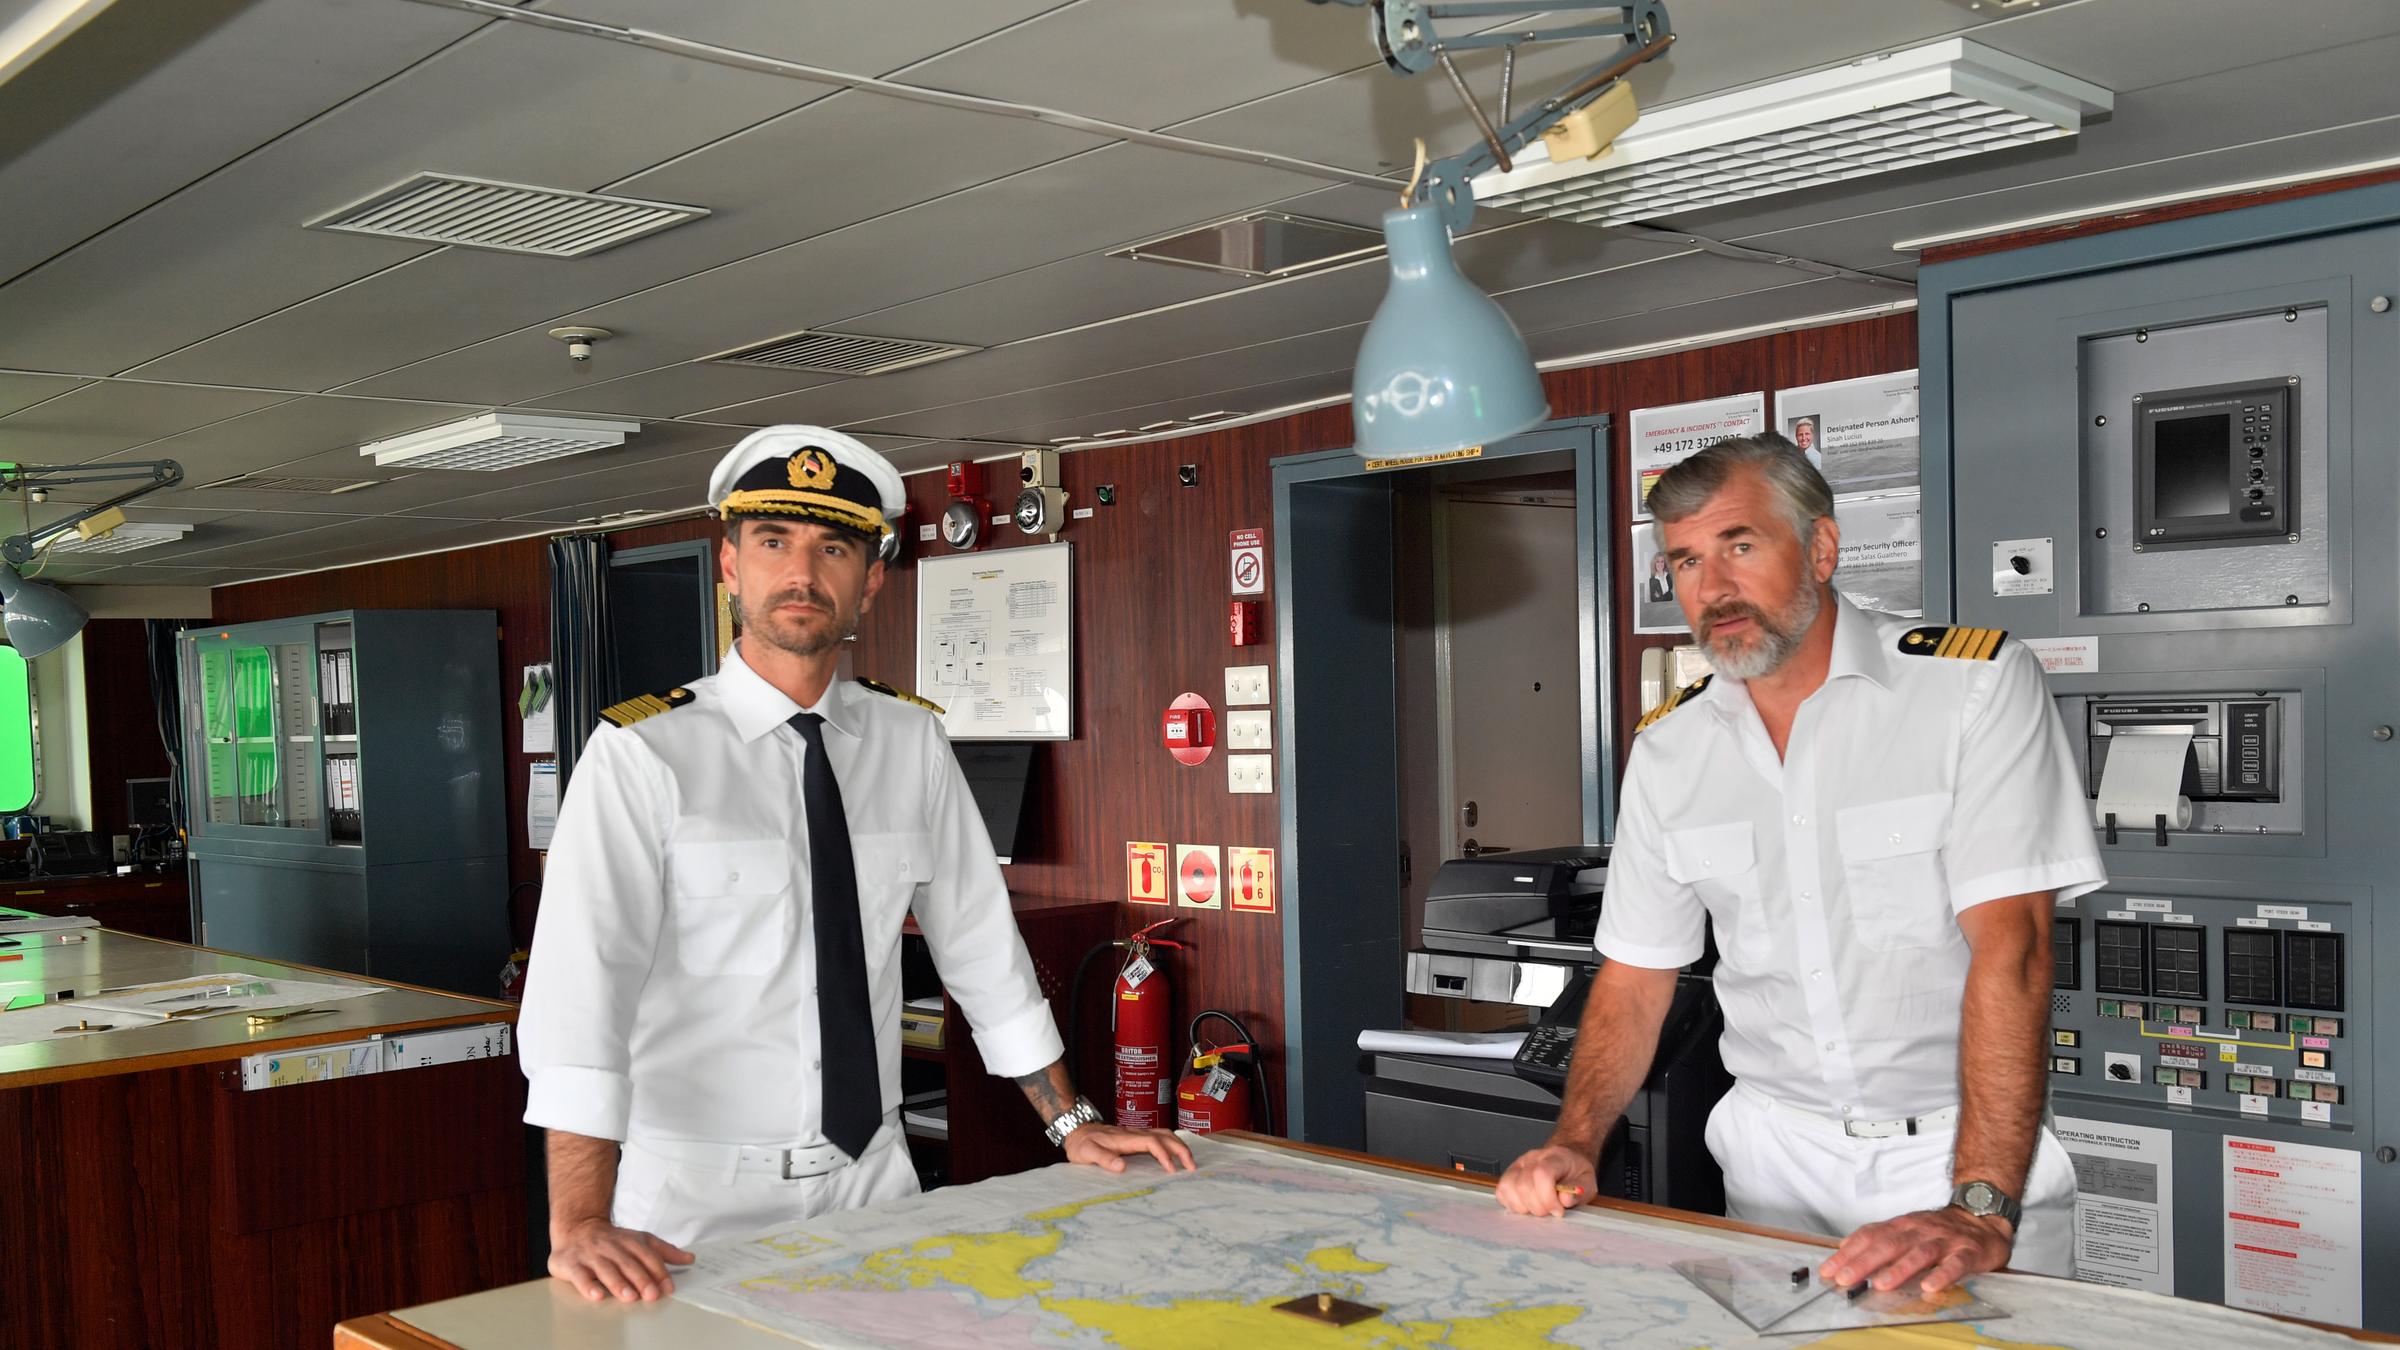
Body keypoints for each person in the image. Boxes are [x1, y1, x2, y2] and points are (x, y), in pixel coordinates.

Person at [519, 425, 1193, 1305]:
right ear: (730, 566)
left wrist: (1070, 1121)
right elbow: (580, 1001)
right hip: (688, 1204)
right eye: (773, 543)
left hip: (873, 1179)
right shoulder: (643, 754)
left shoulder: (910, 740)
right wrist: (579, 1221)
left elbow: (984, 950)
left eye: (832, 548)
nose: (801, 574)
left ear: (870, 580)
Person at [1496, 433, 2102, 1296]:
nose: (1713, 588)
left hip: (1953, 1151)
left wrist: (1977, 1204)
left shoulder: (1970, 688)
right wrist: (1578, 1140)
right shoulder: (1670, 749)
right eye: (1687, 562)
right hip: (1769, 1162)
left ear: (1821, 548)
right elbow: (1635, 976)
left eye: (1741, 546)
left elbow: (2017, 948)